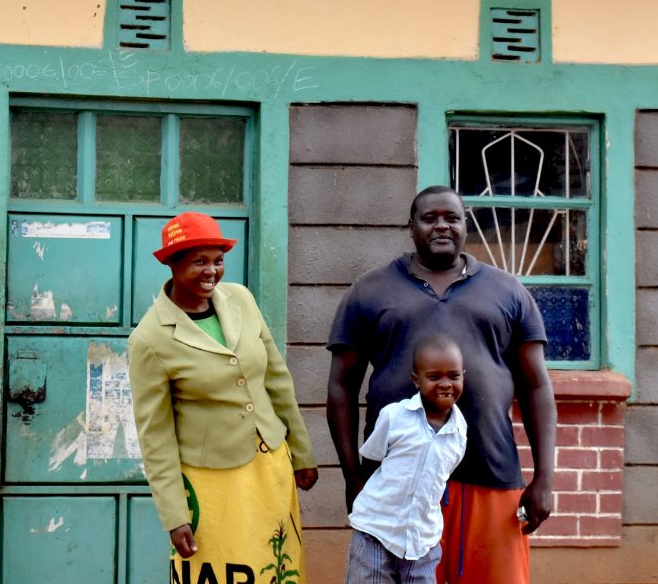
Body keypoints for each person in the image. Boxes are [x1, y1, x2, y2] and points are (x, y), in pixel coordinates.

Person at [327, 185, 556, 584]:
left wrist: (545, 478)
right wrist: (352, 475)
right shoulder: (369, 290)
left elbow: (536, 386)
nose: (441, 225)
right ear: (410, 227)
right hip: (396, 485)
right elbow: (341, 386)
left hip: (489, 474)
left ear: (466, 225)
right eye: (429, 218)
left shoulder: (507, 290)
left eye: (451, 217)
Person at [129, 211, 319, 584]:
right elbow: (156, 437)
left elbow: (277, 379)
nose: (211, 271)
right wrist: (174, 513)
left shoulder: (241, 300)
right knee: (222, 569)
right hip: (211, 481)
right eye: (199, 261)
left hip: (270, 466)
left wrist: (302, 452)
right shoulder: (149, 339)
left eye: (218, 260)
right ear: (172, 263)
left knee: (277, 565)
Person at [345, 333, 467, 584]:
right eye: (434, 377)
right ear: (417, 380)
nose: (445, 384)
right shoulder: (394, 417)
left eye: (453, 376)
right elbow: (371, 462)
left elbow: (443, 475)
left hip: (423, 543)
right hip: (376, 534)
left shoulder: (459, 430)